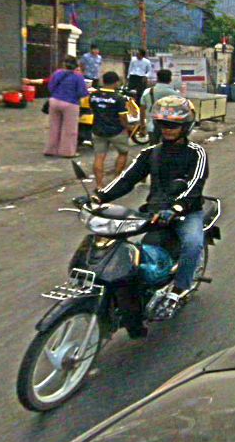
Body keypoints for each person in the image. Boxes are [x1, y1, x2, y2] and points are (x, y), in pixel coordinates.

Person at [92, 96, 207, 321]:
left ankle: (178, 291)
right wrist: (99, 196)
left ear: (186, 126)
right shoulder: (150, 153)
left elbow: (195, 185)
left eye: (173, 125)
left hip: (187, 212)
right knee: (125, 246)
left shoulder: (196, 153)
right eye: (163, 124)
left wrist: (177, 208)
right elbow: (127, 179)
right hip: (154, 212)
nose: (167, 129)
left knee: (193, 243)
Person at [88, 72, 131, 189]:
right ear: (116, 82)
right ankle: (116, 181)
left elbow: (93, 109)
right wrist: (127, 127)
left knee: (99, 157)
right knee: (123, 153)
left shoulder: (93, 95)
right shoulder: (119, 98)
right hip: (116, 131)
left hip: (97, 130)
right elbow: (123, 117)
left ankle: (99, 185)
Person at [44, 56, 87, 158]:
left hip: (54, 101)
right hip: (70, 103)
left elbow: (50, 87)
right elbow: (82, 92)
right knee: (69, 129)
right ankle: (67, 152)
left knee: (53, 127)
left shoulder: (57, 73)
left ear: (64, 64)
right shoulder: (78, 76)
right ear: (76, 65)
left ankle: (50, 150)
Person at [139, 68, 174, 144]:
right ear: (170, 79)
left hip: (152, 127)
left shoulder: (147, 91)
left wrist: (142, 126)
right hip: (170, 128)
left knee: (154, 149)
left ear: (157, 79)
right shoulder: (175, 94)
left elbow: (142, 109)